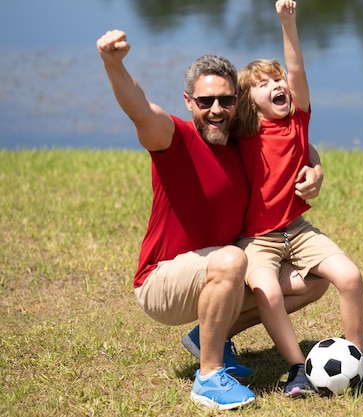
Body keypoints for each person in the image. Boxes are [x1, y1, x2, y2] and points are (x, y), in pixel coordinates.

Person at [96, 29, 329, 411]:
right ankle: (208, 377)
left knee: (313, 278)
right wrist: (113, 64)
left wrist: (316, 169)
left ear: (238, 103)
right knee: (232, 258)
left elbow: (297, 142)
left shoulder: (238, 141)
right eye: (206, 101)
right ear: (189, 102)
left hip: (220, 272)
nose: (216, 110)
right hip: (161, 280)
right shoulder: (174, 139)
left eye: (225, 100)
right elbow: (138, 107)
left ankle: (209, 336)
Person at [234, 0, 363, 397]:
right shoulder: (245, 133)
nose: (277, 85)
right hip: (258, 239)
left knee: (349, 276)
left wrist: (288, 22)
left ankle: (358, 362)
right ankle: (297, 367)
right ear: (250, 102)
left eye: (277, 78)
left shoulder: (299, 118)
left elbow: (297, 68)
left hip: (297, 230)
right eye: (262, 84)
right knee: (265, 289)